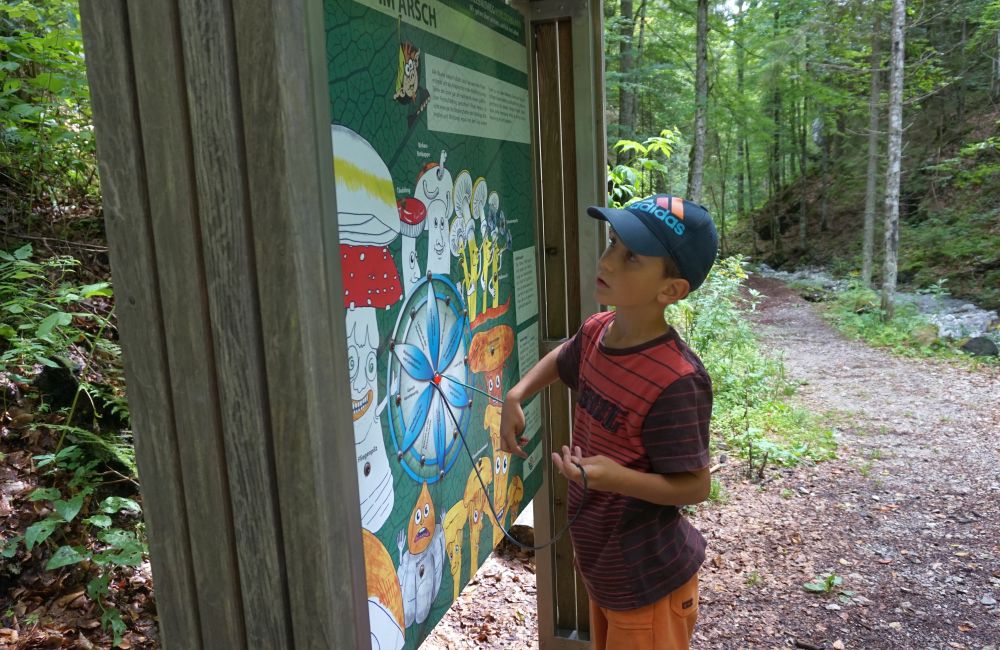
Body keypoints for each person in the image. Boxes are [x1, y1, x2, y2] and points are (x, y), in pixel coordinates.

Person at [500, 194, 718, 650]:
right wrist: (519, 393)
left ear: (670, 290)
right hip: (606, 567)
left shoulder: (676, 380)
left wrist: (618, 478)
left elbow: (695, 487)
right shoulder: (601, 329)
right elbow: (567, 357)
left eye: (632, 256)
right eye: (613, 242)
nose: (609, 260)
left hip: (647, 582)